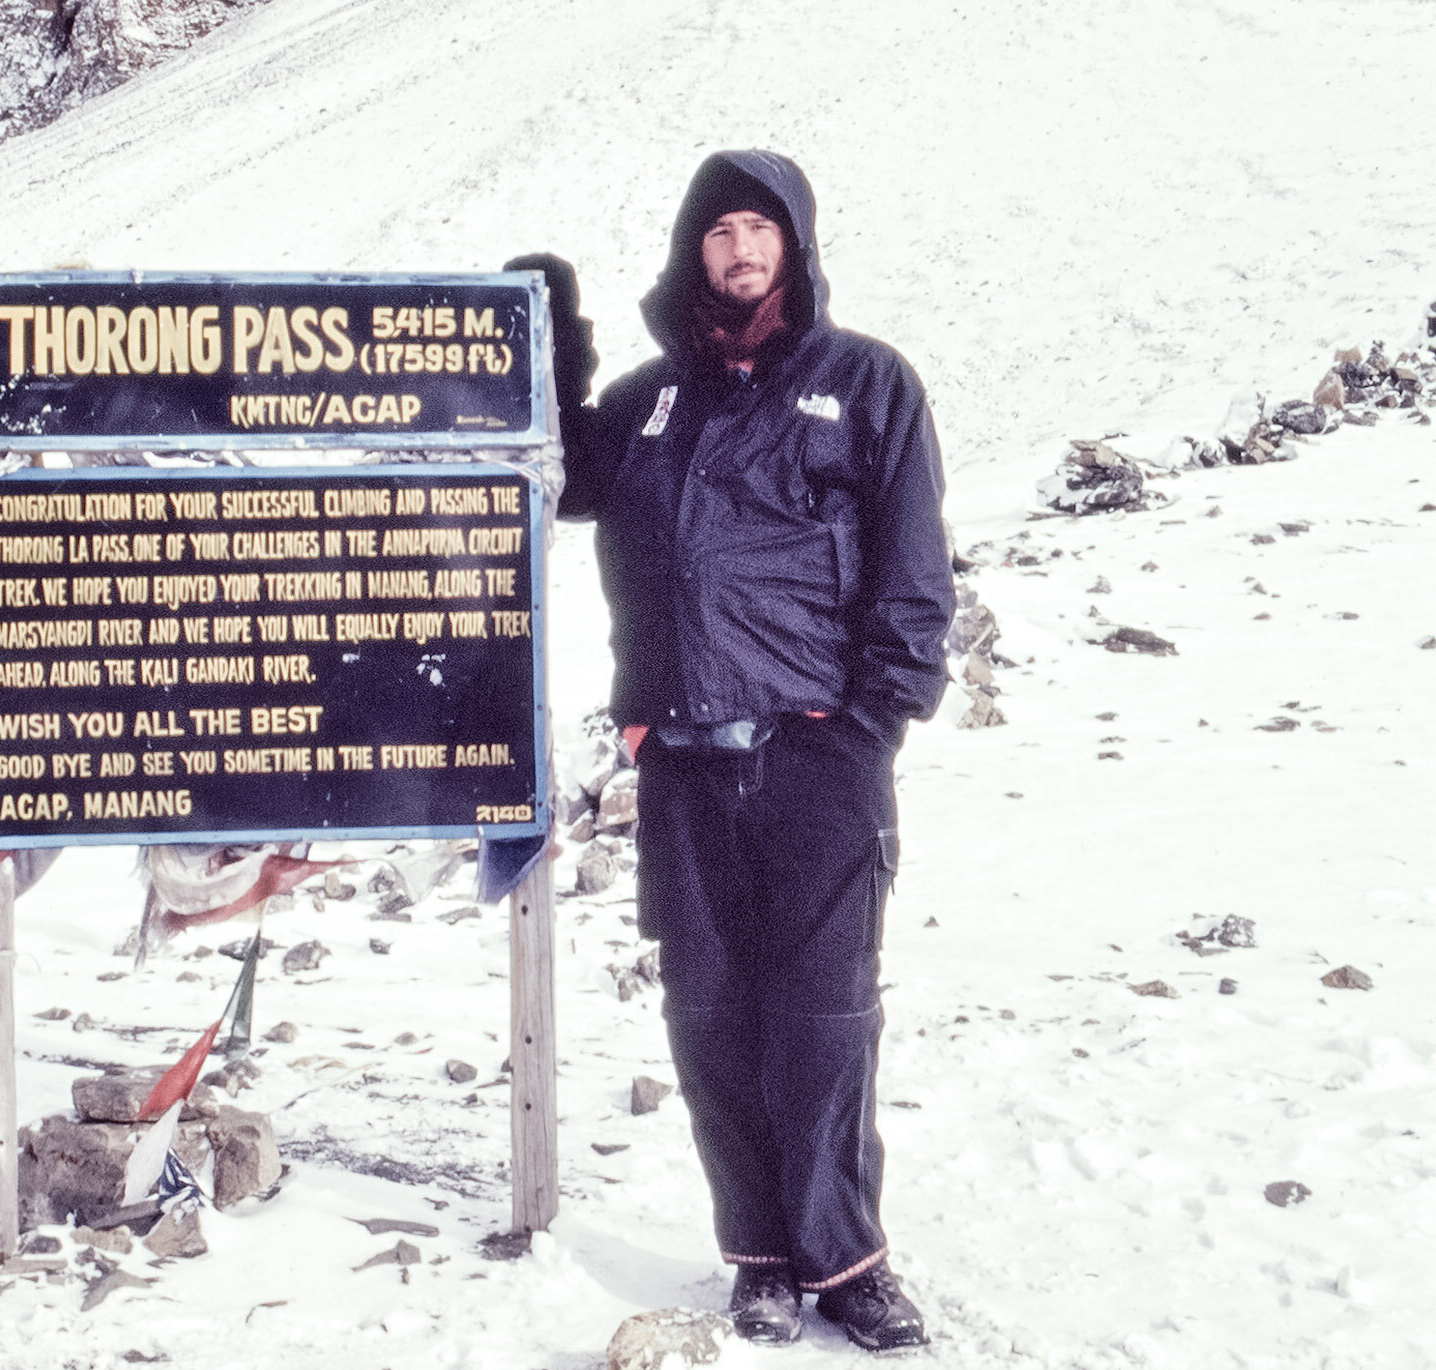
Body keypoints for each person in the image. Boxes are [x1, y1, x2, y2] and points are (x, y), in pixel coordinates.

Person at [510, 149, 952, 1353]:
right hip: (686, 760)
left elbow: (915, 572)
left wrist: (869, 722)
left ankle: (845, 1260)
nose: (737, 249)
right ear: (690, 252)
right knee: (708, 1013)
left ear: (794, 248)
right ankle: (755, 1254)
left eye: (758, 228)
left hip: (816, 754)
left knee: (821, 1018)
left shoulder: (864, 383)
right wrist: (545, 343)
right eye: (716, 232)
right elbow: (556, 483)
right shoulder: (655, 398)